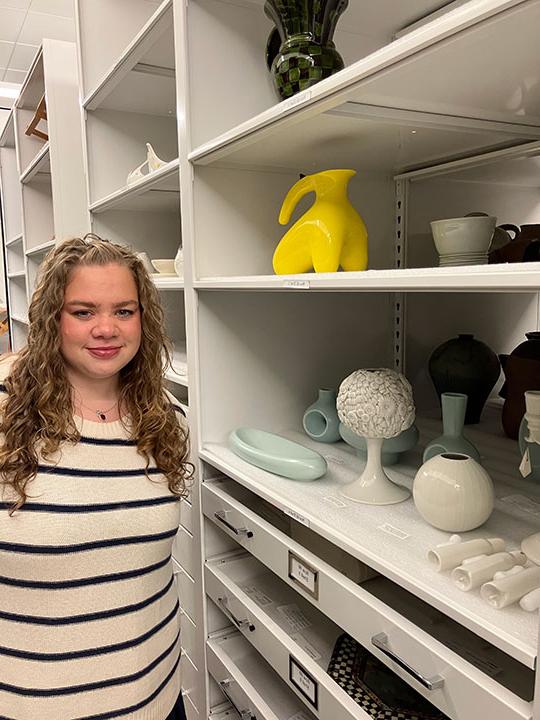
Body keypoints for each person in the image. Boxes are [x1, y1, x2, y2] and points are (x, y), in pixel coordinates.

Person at [0, 235, 192, 720]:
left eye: (124, 311)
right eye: (83, 312)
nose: (106, 329)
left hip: (156, 700)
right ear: (51, 320)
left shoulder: (163, 418)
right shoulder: (6, 416)